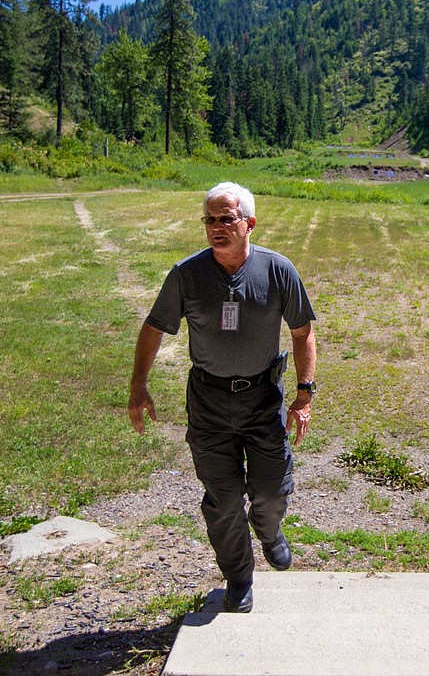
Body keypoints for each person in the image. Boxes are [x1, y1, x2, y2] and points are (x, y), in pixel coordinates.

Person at [127, 181, 317, 613]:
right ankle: (238, 577)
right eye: (209, 220)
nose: (216, 227)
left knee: (270, 492)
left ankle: (269, 531)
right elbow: (154, 328)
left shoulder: (277, 269)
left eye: (226, 219)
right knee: (223, 498)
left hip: (263, 398)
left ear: (249, 223)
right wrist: (138, 385)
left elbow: (302, 331)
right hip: (209, 402)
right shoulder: (187, 274)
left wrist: (304, 395)